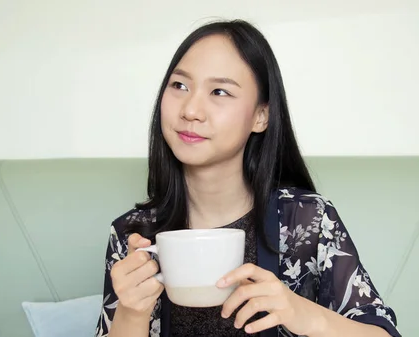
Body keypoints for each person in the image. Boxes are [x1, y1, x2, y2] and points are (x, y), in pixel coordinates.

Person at [94, 19, 400, 337]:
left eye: (220, 91)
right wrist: (131, 313)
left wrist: (305, 314)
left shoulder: (307, 220)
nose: (191, 110)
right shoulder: (132, 234)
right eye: (180, 86)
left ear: (260, 116)